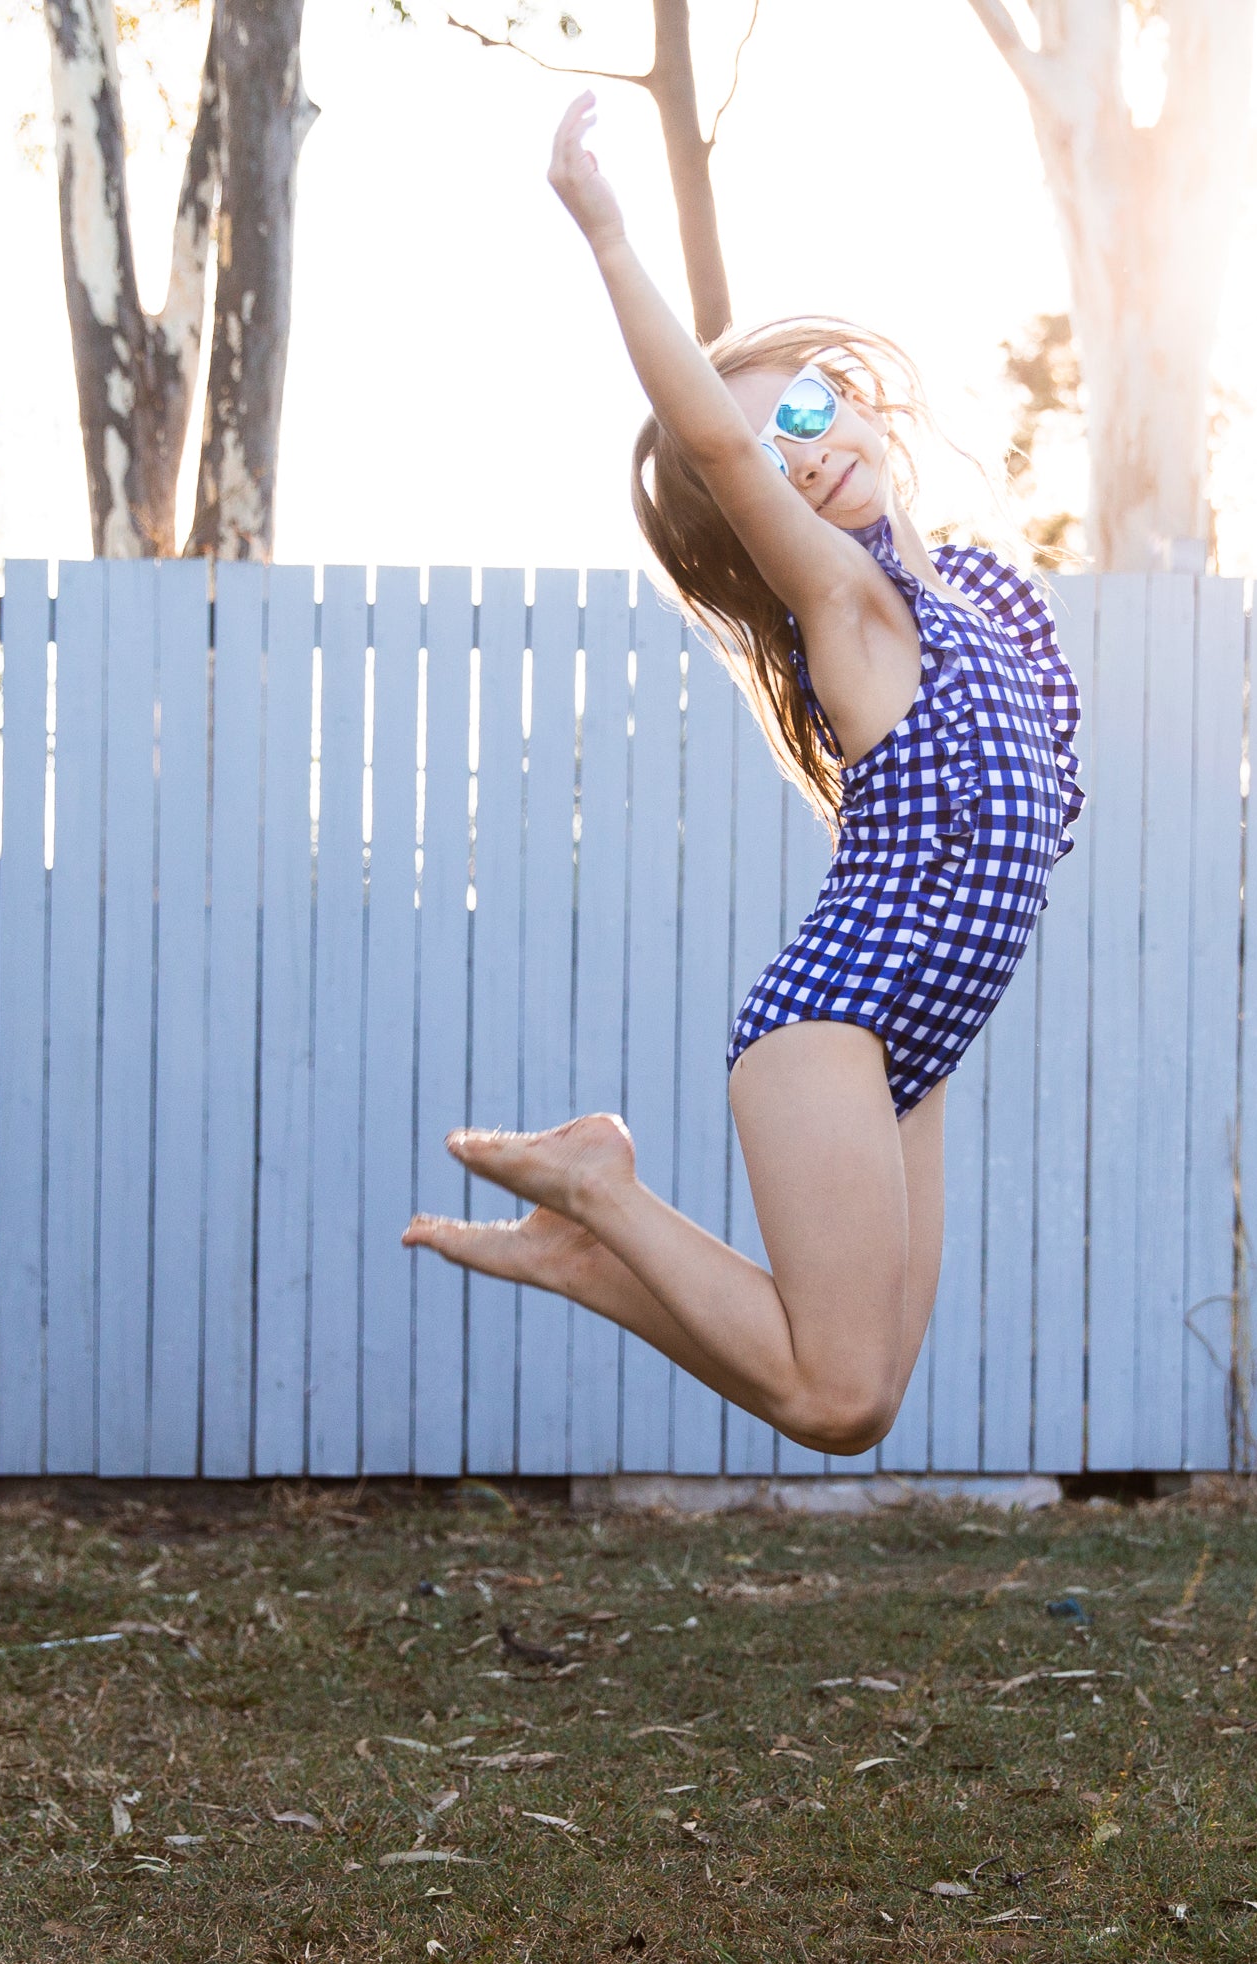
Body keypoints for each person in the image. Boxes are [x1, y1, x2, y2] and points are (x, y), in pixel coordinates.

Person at [403, 93, 1083, 1456]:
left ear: (861, 395)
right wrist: (603, 226)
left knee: (862, 1399)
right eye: (771, 452)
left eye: (814, 409)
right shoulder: (852, 605)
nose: (807, 449)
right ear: (754, 513)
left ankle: (594, 1252)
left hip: (921, 1039)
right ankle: (603, 1196)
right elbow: (713, 436)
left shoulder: (988, 609)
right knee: (831, 1393)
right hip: (833, 1023)